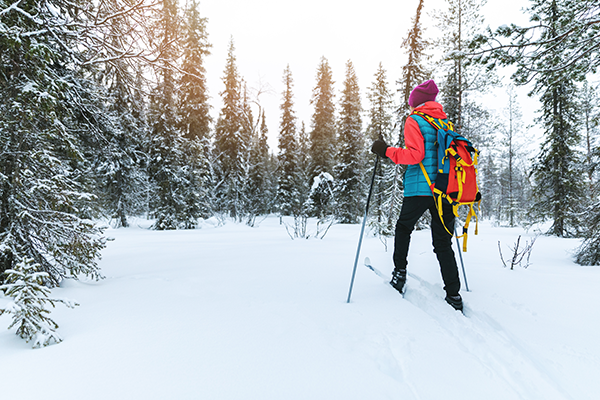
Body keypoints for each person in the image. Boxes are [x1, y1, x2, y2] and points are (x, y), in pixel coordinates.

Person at [371, 79, 463, 311]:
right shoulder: (445, 122)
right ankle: (454, 295)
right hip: (446, 189)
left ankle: (399, 274)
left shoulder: (415, 120)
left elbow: (415, 156)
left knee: (403, 228)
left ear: (416, 103)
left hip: (420, 188)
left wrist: (386, 151)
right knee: (443, 242)